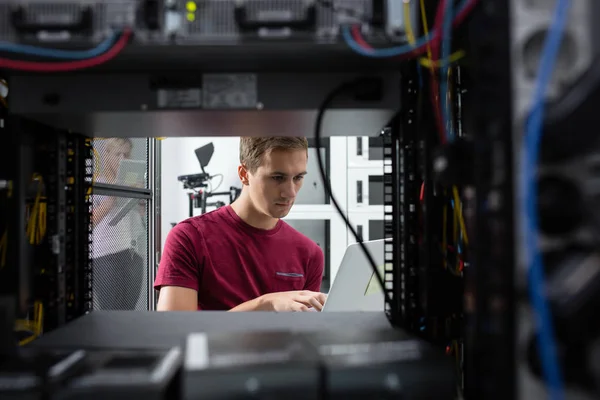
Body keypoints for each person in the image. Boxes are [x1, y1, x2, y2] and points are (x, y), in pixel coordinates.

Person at [155, 137, 327, 312]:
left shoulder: (309, 254)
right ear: (244, 174)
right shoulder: (189, 238)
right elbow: (174, 333)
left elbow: (305, 333)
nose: (290, 192)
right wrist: (266, 305)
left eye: (298, 177)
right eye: (277, 177)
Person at [91, 138, 145, 310]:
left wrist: (141, 198)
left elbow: (142, 219)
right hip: (105, 255)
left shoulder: (132, 183)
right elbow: (89, 221)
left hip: (132, 254)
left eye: (126, 154)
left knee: (128, 311)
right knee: (112, 312)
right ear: (107, 155)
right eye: (117, 154)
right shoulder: (96, 183)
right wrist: (112, 196)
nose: (122, 159)